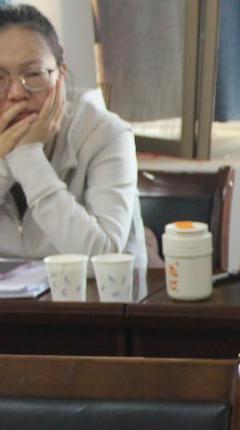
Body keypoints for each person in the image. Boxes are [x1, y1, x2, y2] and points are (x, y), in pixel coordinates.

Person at [0, 4, 145, 267]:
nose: (16, 94)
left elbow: (104, 257)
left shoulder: (106, 135)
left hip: (97, 294)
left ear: (61, 76)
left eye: (33, 74)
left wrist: (26, 157)